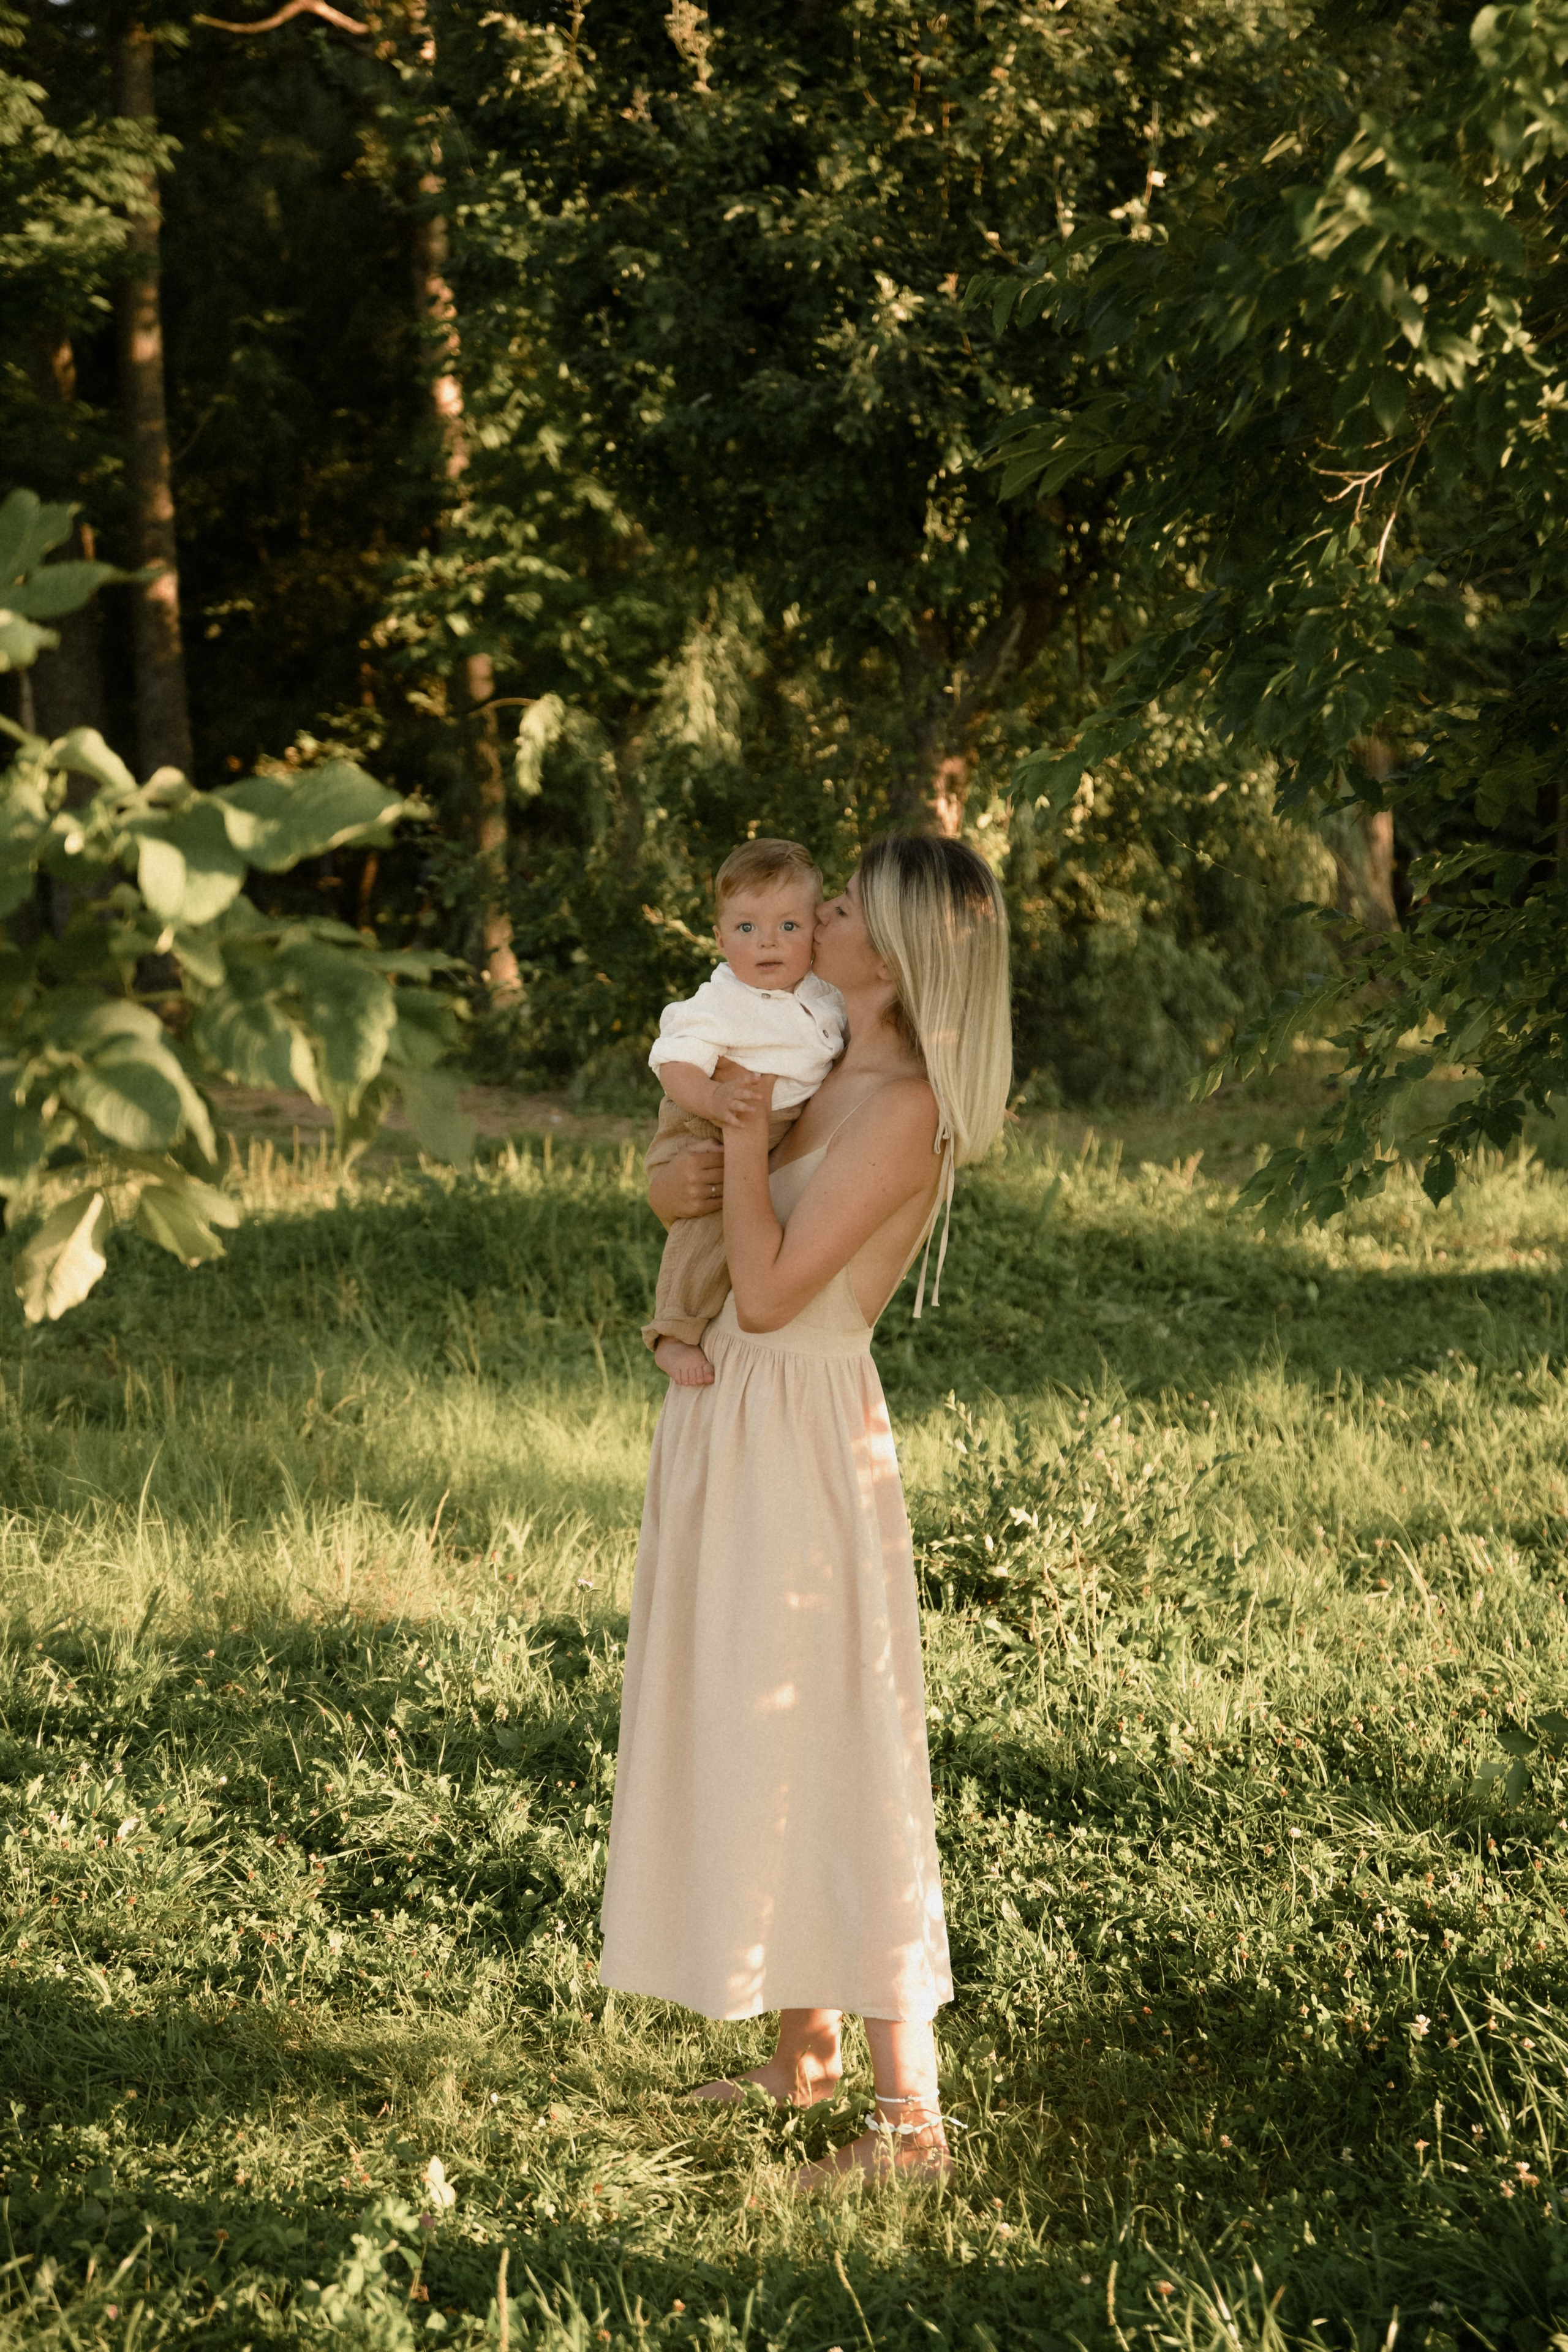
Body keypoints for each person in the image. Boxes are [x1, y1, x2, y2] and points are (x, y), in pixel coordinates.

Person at [599, 834, 1012, 2188]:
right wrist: (688, 1169)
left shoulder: (900, 1104)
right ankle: (804, 2055)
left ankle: (908, 2125)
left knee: (835, 1742)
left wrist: (730, 1139)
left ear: (888, 955)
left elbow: (775, 1293)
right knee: (753, 1724)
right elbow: (708, 1202)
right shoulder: (824, 1061)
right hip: (734, 1412)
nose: (812, 916)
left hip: (799, 1420)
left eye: (837, 908)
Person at [643, 838, 846, 1387]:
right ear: (719, 938)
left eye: (788, 926)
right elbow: (676, 1065)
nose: (768, 943)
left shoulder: (824, 991)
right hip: (707, 1118)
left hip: (775, 1121)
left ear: (815, 929)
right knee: (708, 1226)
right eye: (746, 929)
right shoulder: (719, 1000)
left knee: (755, 1221)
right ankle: (672, 1330)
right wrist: (716, 1100)